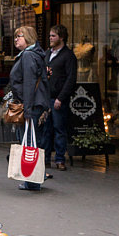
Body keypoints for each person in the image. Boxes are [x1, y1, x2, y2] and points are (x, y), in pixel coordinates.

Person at [9, 25, 50, 191]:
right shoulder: (36, 54)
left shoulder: (27, 55)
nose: (16, 39)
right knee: (34, 141)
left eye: (19, 36)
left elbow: (29, 82)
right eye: (15, 36)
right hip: (36, 103)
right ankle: (35, 177)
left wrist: (26, 109)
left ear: (28, 37)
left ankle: (32, 180)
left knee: (29, 142)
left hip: (30, 104)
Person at [44, 24, 77, 171]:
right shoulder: (47, 54)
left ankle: (59, 159)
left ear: (61, 37)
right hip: (45, 98)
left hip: (58, 99)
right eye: (50, 35)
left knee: (59, 129)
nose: (50, 38)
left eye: (53, 36)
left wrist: (61, 98)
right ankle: (44, 158)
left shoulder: (68, 56)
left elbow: (71, 79)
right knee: (45, 129)